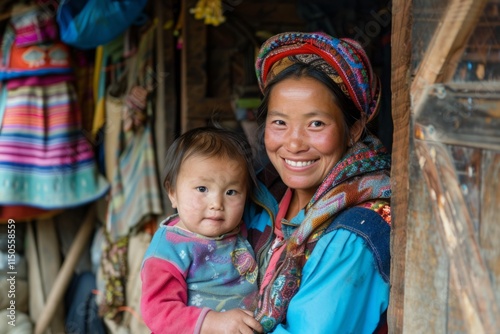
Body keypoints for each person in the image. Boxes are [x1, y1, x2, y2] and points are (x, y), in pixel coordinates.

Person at [243, 32, 392, 333]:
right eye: (280, 122)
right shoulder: (260, 199)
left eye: (316, 124)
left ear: (354, 129)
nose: (294, 144)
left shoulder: (355, 234)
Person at [140, 126, 263, 334]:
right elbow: (158, 311)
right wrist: (213, 323)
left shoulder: (240, 227)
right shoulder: (167, 250)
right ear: (172, 193)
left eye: (231, 192)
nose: (216, 203)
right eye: (202, 189)